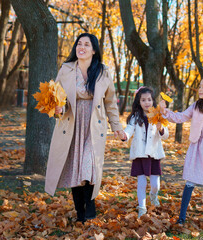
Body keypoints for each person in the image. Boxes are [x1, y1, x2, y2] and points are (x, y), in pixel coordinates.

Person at [44, 33, 125, 223]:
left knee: (88, 167)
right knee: (75, 170)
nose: (82, 47)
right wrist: (58, 108)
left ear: (94, 50)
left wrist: (117, 127)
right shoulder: (66, 69)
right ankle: (80, 214)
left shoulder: (103, 71)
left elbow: (111, 103)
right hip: (71, 124)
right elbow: (57, 97)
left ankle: (90, 209)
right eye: (79, 44)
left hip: (94, 126)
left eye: (87, 45)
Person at [160, 76, 203, 225]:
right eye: (200, 86)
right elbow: (180, 117)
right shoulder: (196, 106)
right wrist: (165, 112)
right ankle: (182, 216)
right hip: (196, 147)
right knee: (190, 180)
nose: (200, 89)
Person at [120, 86, 169, 218]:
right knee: (141, 183)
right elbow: (130, 129)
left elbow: (165, 135)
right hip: (140, 154)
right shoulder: (135, 117)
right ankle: (142, 207)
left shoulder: (158, 115)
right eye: (143, 100)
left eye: (149, 99)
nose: (147, 102)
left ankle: (153, 195)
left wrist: (161, 129)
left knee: (155, 185)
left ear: (153, 101)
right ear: (139, 102)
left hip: (153, 154)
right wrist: (124, 135)